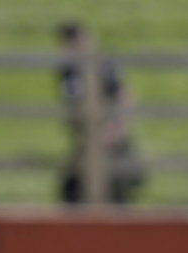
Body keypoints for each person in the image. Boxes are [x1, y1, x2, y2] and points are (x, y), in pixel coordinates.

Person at [55, 22, 145, 205]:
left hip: (108, 135)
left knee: (117, 188)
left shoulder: (103, 65)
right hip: (86, 137)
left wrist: (116, 129)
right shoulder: (67, 70)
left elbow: (125, 96)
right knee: (73, 189)